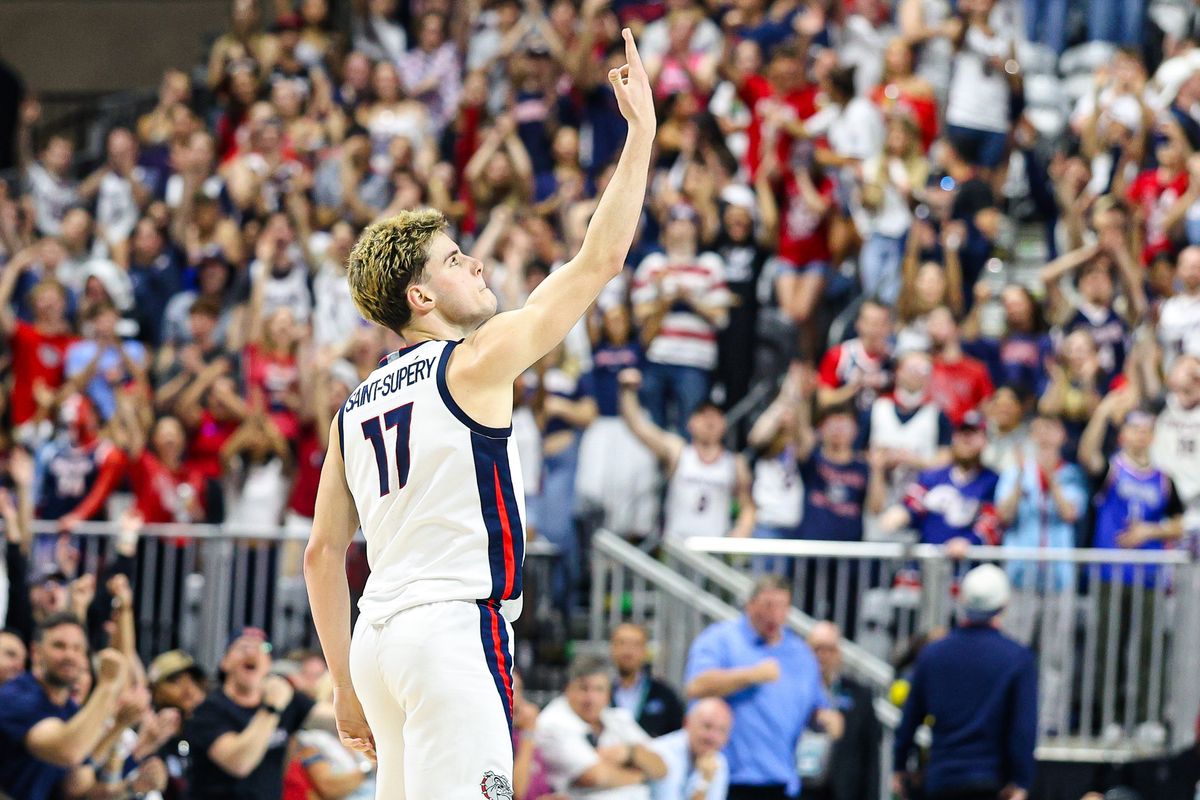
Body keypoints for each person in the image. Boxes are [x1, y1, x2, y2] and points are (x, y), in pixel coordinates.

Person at [302, 30, 656, 798]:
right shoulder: (474, 359)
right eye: (457, 259)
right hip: (450, 630)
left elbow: (322, 556)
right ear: (421, 298)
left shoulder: (350, 410)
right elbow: (597, 261)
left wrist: (341, 684)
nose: (478, 263)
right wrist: (641, 138)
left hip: (376, 644)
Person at [684, 576, 843, 800]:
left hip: (781, 780)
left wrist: (826, 717)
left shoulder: (800, 652)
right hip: (724, 779)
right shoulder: (720, 639)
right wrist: (749, 675)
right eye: (768, 605)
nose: (775, 615)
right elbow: (695, 686)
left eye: (782, 607)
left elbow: (816, 706)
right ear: (750, 604)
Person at [893, 564, 1037, 800]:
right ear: (1004, 604)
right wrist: (1021, 780)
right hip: (992, 782)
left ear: (962, 600)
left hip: (942, 779)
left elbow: (910, 717)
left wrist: (899, 766)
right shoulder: (1017, 658)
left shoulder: (933, 654)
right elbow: (1023, 728)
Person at [0, 613, 131, 800]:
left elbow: (76, 786)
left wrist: (118, 726)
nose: (69, 655)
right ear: (36, 652)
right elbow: (67, 751)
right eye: (59, 646)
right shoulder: (14, 696)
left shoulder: (70, 709)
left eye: (77, 648)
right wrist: (108, 686)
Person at [183, 628, 321, 800]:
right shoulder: (208, 710)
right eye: (243, 647)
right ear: (225, 662)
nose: (253, 652)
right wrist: (272, 708)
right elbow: (239, 763)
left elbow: (335, 718)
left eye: (262, 648)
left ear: (269, 664)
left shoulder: (289, 700)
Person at [619, 368, 755, 541]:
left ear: (724, 423)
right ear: (691, 423)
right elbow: (639, 427)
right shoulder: (679, 453)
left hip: (714, 548)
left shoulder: (735, 462)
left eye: (716, 415)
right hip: (678, 546)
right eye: (703, 414)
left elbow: (748, 506)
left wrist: (741, 531)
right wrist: (627, 391)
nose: (709, 421)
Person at [535, 654, 668, 799]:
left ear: (609, 694)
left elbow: (661, 767)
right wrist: (641, 776)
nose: (590, 699)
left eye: (599, 689)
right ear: (567, 689)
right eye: (584, 689)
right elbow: (595, 776)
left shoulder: (618, 718)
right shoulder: (553, 722)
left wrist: (630, 753)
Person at [802, 622, 880, 800]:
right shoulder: (792, 691)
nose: (823, 656)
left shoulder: (860, 695)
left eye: (830, 650)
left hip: (842, 790)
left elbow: (870, 758)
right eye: (817, 649)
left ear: (840, 654)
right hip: (800, 787)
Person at [610, 623, 684, 738]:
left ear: (645, 651)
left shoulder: (665, 695)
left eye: (635, 644)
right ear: (612, 648)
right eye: (621, 643)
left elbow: (678, 736)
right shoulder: (598, 693)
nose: (628, 651)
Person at [648, 698, 733, 800]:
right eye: (707, 726)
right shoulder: (663, 753)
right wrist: (704, 783)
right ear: (687, 723)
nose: (713, 737)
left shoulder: (718, 762)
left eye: (721, 731)